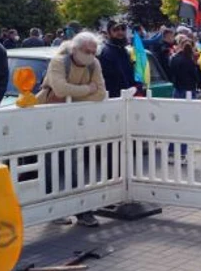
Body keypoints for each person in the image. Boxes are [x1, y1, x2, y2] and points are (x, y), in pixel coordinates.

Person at [38, 32, 106, 228]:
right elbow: (59, 90)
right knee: (52, 164)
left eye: (94, 52)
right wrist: (87, 89)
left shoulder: (94, 65)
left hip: (75, 121)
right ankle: (54, 211)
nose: (91, 55)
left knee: (76, 164)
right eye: (87, 51)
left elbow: (100, 94)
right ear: (75, 49)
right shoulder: (59, 62)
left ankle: (83, 211)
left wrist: (72, 95)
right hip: (49, 119)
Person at [97, 20, 135, 98]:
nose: (120, 32)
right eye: (116, 30)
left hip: (129, 97)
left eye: (123, 29)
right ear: (109, 33)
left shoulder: (125, 51)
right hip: (113, 99)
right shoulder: (105, 53)